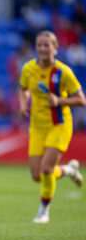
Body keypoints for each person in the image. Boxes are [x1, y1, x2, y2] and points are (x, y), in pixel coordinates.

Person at [19, 30, 86, 224]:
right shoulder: (28, 68)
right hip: (37, 126)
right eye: (39, 44)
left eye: (46, 45)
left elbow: (81, 100)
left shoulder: (63, 72)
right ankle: (69, 171)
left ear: (55, 48)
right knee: (36, 175)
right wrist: (23, 105)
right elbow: (22, 89)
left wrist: (59, 100)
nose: (42, 48)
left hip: (59, 125)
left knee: (47, 169)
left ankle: (43, 211)